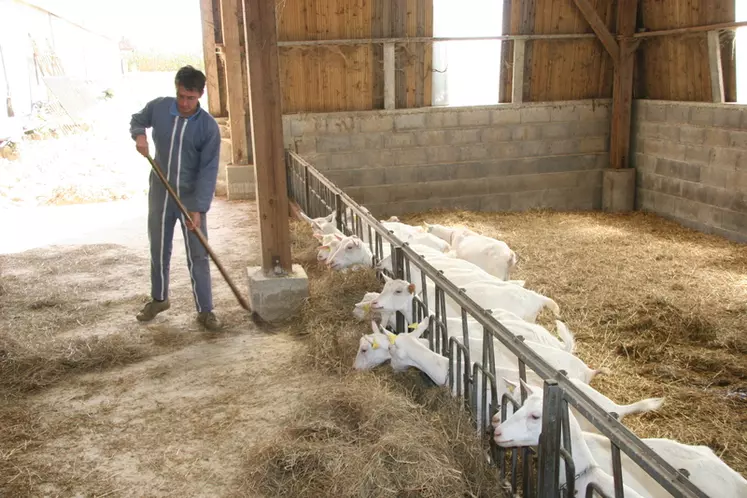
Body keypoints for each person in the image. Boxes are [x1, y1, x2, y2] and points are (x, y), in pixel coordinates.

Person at [129, 65, 222, 331]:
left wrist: (198, 208)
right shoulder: (159, 108)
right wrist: (139, 136)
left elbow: (208, 171)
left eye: (190, 98)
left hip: (191, 197)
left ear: (200, 95)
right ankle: (159, 299)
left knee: (198, 254)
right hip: (161, 191)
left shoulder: (207, 128)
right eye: (181, 96)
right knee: (158, 246)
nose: (184, 103)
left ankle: (205, 310)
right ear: (176, 90)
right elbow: (137, 119)